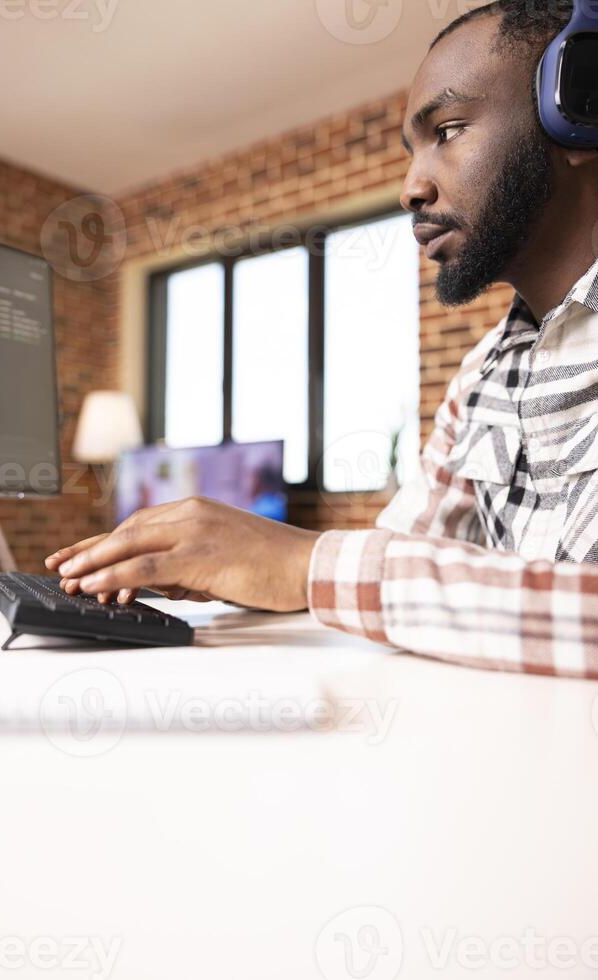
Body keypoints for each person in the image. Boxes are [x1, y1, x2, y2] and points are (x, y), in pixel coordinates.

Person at [46, 0, 598, 679]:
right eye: (411, 150)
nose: (410, 188)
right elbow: (407, 555)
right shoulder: (485, 374)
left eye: (448, 130)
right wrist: (244, 572)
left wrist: (303, 563)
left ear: (578, 112)